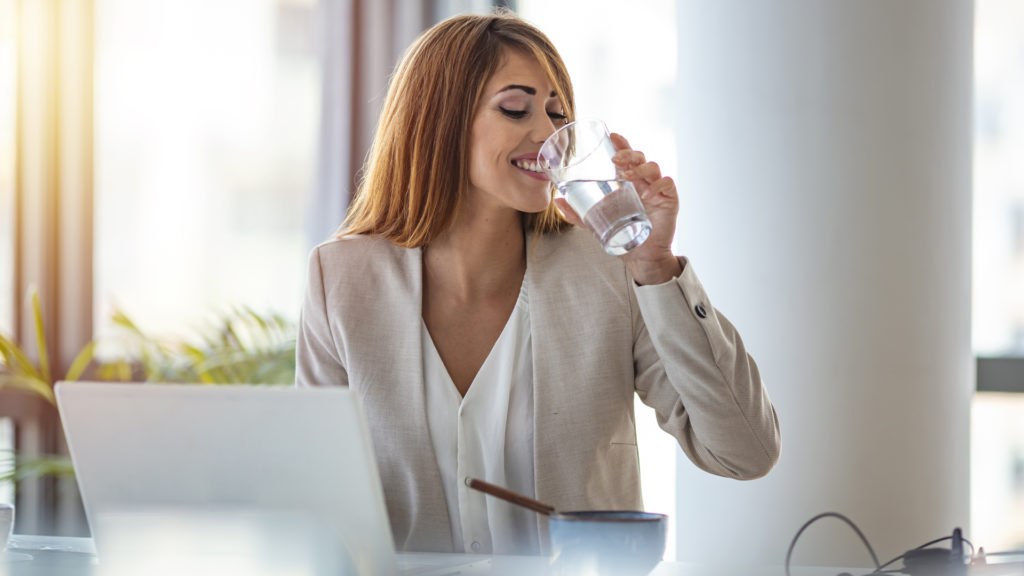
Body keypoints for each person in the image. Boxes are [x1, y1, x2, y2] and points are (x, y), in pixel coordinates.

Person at [296, 9, 780, 556]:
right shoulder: (341, 281)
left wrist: (656, 266)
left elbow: (744, 451)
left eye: (557, 113)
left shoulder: (611, 273)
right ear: (439, 121)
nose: (549, 135)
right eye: (515, 108)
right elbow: (319, 500)